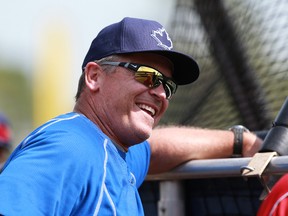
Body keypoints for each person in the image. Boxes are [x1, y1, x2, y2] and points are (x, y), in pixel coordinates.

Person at [0, 17, 262, 215]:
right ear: (94, 77)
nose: (160, 93)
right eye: (147, 76)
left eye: (168, 86)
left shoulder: (113, 149)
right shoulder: (69, 148)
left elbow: (158, 147)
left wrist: (240, 141)